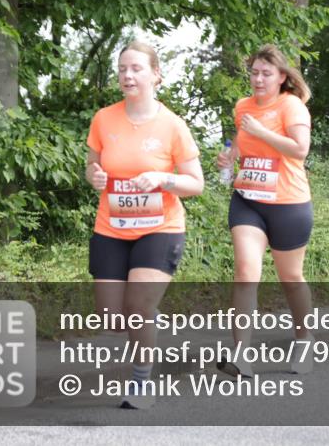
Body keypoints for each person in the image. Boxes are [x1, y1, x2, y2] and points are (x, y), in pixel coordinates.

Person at [85, 40, 205, 409]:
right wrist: (95, 177)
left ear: (156, 75)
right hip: (112, 227)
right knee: (112, 318)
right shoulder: (104, 119)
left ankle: (141, 382)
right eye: (122, 69)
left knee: (137, 308)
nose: (127, 75)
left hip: (160, 227)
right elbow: (92, 167)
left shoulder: (172, 125)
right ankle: (149, 315)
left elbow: (195, 183)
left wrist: (162, 178)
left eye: (136, 68)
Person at [215, 44, 315, 377]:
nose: (258, 79)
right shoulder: (242, 106)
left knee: (291, 278)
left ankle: (304, 339)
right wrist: (229, 159)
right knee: (245, 270)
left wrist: (263, 131)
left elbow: (300, 150)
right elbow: (242, 143)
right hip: (248, 200)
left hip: (288, 203)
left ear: (282, 76)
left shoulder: (291, 106)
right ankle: (241, 353)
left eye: (266, 73)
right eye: (254, 72)